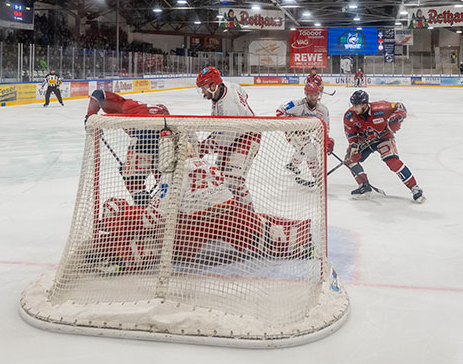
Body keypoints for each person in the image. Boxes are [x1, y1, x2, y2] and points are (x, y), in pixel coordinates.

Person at [86, 149, 313, 274]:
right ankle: (297, 239)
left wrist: (124, 218)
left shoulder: (173, 171)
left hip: (195, 225)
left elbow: (152, 218)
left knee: (158, 242)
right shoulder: (208, 164)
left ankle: (117, 254)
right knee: (263, 229)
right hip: (231, 214)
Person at [342, 89, 424, 203]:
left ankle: (415, 188)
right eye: (353, 105)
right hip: (365, 141)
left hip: (384, 138)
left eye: (356, 106)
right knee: (349, 159)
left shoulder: (381, 108)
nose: (354, 108)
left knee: (392, 161)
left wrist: (396, 118)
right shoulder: (349, 115)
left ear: (365, 105)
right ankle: (364, 185)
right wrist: (354, 149)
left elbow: (400, 107)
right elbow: (351, 135)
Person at [194, 66, 259, 210]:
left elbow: (222, 141)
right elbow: (243, 93)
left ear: (213, 85)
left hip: (248, 135)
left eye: (203, 88)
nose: (203, 92)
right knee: (221, 177)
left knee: (234, 180)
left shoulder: (229, 107)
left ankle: (250, 217)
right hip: (235, 132)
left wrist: (201, 148)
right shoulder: (227, 86)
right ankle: (233, 211)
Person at [276, 81, 334, 187]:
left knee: (303, 149)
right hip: (293, 132)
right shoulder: (296, 104)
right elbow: (279, 112)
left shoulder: (323, 110)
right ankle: (319, 179)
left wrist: (327, 142)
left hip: (307, 133)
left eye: (316, 95)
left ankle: (292, 165)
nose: (314, 97)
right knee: (310, 150)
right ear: (306, 95)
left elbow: (325, 129)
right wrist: (294, 123)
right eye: (311, 95)